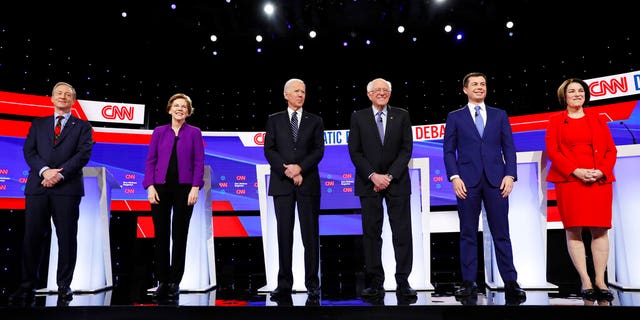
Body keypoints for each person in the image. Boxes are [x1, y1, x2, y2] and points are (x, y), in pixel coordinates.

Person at [443, 72, 526, 303]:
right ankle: (469, 282)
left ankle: (510, 281)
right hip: (466, 182)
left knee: (501, 232)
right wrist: (454, 176)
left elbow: (509, 147)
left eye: (483, 84)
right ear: (465, 90)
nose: (479, 87)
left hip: (497, 181)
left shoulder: (499, 115)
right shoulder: (455, 117)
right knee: (467, 232)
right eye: (475, 84)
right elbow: (448, 151)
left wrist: (510, 174)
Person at [9, 82, 93, 304]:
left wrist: (59, 175)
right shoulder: (38, 124)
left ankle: (64, 286)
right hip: (38, 187)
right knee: (31, 238)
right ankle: (27, 286)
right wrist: (45, 171)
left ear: (73, 101)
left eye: (68, 94)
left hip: (67, 189)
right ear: (52, 98)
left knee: (66, 238)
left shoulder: (83, 126)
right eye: (59, 93)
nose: (63, 97)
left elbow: (83, 155)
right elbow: (29, 150)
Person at [545, 78, 617, 304]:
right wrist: (575, 171)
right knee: (574, 230)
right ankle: (585, 281)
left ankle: (600, 281)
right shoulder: (556, 120)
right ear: (563, 97)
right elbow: (553, 151)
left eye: (580, 91)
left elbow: (610, 150)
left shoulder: (597, 119)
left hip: (598, 181)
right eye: (572, 91)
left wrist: (601, 171)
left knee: (600, 230)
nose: (577, 94)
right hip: (571, 181)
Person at [348, 78, 417, 300]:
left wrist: (389, 176)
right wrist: (373, 176)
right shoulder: (358, 117)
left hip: (396, 182)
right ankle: (376, 283)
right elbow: (355, 152)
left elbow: (406, 149)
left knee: (402, 233)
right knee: (371, 235)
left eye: (385, 90)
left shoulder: (402, 115)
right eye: (377, 90)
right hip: (369, 184)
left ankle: (403, 282)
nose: (381, 93)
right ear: (369, 94)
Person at [263, 78, 325, 303]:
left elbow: (319, 151)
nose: (301, 94)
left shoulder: (315, 120)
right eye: (296, 91)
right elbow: (269, 150)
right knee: (284, 236)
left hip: (308, 184)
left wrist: (300, 168)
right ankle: (283, 285)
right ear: (286, 94)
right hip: (282, 185)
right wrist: (287, 170)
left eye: (304, 91)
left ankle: (313, 286)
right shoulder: (274, 120)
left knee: (310, 236)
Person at [143, 93, 205, 301]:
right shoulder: (159, 132)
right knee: (160, 234)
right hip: (160, 188)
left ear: (188, 112)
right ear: (169, 109)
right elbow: (151, 160)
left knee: (180, 235)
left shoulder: (194, 133)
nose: (179, 109)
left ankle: (174, 282)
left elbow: (198, 162)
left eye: (184, 107)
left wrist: (195, 187)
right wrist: (150, 186)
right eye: (176, 106)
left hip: (184, 189)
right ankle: (162, 280)